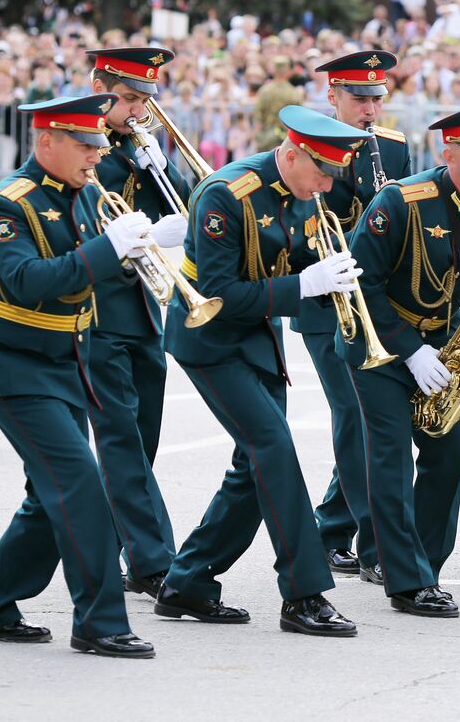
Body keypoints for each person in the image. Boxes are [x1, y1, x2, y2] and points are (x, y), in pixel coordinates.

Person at [157, 106, 366, 637]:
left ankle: (188, 582)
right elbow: (219, 293)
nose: (325, 186)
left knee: (253, 467)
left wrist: (337, 285)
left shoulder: (306, 194)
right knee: (273, 450)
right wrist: (307, 286)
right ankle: (304, 593)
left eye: (332, 176)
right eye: (320, 173)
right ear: (291, 154)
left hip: (256, 338)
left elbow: (289, 269)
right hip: (209, 339)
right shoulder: (226, 195)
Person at [0, 94, 157, 658]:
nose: (95, 158)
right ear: (47, 142)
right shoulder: (7, 204)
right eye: (85, 146)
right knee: (80, 481)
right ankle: (101, 620)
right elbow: (29, 282)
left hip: (67, 358)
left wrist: (141, 250)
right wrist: (110, 250)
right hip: (12, 363)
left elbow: (90, 271)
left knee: (48, 493)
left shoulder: (83, 194)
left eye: (99, 146)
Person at [338, 102, 460, 617]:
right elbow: (362, 284)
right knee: (392, 461)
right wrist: (412, 350)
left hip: (445, 350)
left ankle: (426, 564)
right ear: (449, 153)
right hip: (380, 346)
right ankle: (406, 580)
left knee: (450, 456)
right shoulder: (400, 201)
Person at [295, 50, 411, 584]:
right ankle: (374, 543)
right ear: (332, 97)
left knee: (365, 417)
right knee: (355, 414)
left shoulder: (393, 148)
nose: (368, 109)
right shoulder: (310, 146)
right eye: (358, 99)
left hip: (376, 297)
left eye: (375, 99)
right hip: (327, 299)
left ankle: (331, 526)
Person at [84, 48, 192, 602]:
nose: (137, 111)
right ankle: (154, 562)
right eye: (127, 99)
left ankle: (117, 546)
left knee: (142, 437)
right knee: (122, 438)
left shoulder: (136, 147)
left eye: (145, 100)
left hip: (145, 309)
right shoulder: (81, 146)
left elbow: (186, 204)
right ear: (99, 87)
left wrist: (160, 165)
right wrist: (150, 230)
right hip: (98, 313)